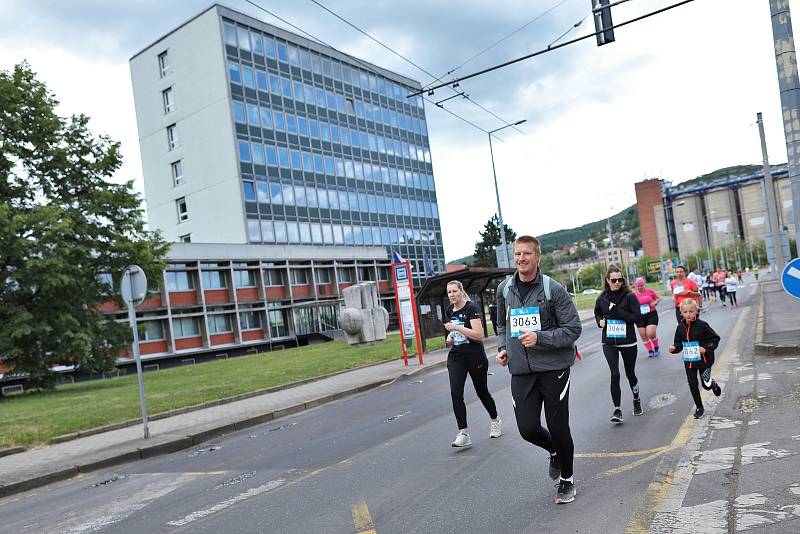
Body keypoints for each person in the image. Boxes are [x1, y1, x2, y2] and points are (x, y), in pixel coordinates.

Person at [495, 235, 582, 505]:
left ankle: (567, 480)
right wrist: (503, 348)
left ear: (537, 256)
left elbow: (573, 329)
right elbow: (501, 325)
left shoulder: (552, 289)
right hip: (521, 370)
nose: (521, 258)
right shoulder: (504, 289)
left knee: (558, 426)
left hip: (553, 368)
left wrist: (540, 337)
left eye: (526, 254)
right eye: (517, 254)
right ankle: (555, 451)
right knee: (527, 428)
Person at [444, 280, 501, 449]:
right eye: (449, 292)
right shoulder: (449, 310)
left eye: (454, 291)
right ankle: (463, 433)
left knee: (481, 392)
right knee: (456, 393)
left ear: (461, 291)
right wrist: (449, 337)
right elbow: (452, 334)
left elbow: (478, 334)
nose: (452, 295)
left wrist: (457, 328)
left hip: (475, 356)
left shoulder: (471, 308)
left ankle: (495, 420)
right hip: (456, 356)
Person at [594, 267, 644, 423]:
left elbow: (637, 317)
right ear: (607, 280)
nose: (617, 283)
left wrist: (618, 312)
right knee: (614, 373)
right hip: (609, 341)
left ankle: (636, 398)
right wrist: (599, 321)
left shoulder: (629, 296)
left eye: (620, 280)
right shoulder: (602, 297)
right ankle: (617, 410)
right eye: (614, 280)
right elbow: (597, 312)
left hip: (628, 341)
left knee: (630, 374)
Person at [669, 299, 722, 418]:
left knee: (706, 385)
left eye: (691, 311)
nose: (688, 314)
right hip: (690, 362)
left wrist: (705, 348)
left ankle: (712, 384)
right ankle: (699, 407)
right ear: (681, 313)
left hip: (704, 360)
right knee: (692, 383)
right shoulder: (680, 328)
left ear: (696, 311)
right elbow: (678, 343)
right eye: (685, 312)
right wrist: (674, 348)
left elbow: (715, 339)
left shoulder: (702, 325)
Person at [632, 277, 662, 357]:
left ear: (644, 285)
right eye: (638, 286)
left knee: (650, 333)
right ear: (635, 286)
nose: (640, 287)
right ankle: (650, 350)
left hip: (651, 314)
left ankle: (656, 347)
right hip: (639, 317)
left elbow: (658, 298)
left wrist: (655, 302)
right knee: (643, 335)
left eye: (641, 286)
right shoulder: (633, 295)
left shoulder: (649, 291)